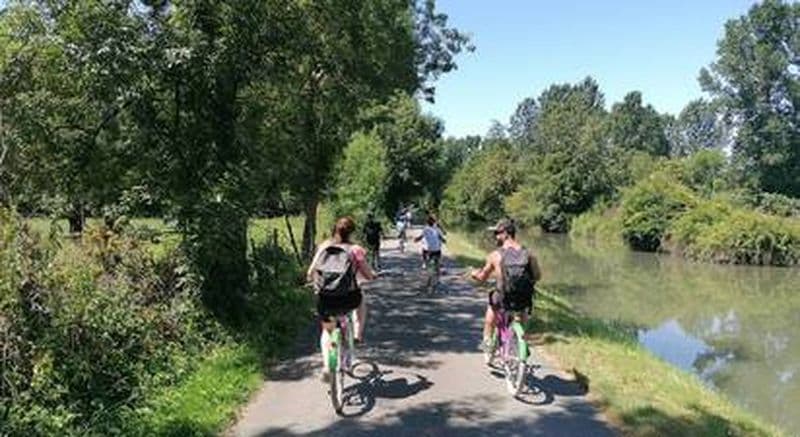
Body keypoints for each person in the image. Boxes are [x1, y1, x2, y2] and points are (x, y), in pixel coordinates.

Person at [307, 217, 377, 381]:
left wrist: (314, 283)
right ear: (352, 232)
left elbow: (310, 273)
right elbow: (367, 275)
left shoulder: (324, 247)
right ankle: (358, 333)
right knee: (361, 300)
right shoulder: (355, 250)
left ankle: (326, 366)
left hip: (326, 299)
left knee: (327, 330)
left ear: (334, 230)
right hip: (349, 299)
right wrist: (373, 275)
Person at [469, 219, 541, 363]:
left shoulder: (495, 255)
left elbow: (482, 277)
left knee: (490, 315)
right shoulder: (529, 254)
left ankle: (488, 345)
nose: (495, 237)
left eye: (497, 233)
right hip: (524, 298)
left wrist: (474, 274)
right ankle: (522, 339)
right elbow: (537, 276)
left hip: (503, 297)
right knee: (522, 312)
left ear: (506, 234)